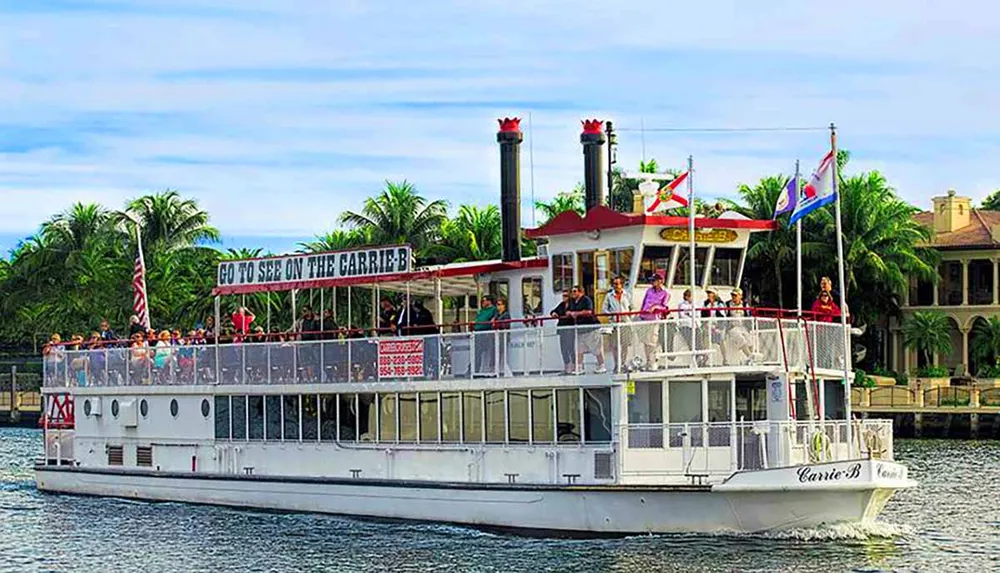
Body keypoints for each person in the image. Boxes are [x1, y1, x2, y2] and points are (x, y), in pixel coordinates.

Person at [567, 285, 606, 373]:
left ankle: (602, 365)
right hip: (580, 329)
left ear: (580, 292)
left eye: (574, 291)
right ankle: (579, 368)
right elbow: (568, 311)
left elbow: (589, 311)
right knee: (579, 349)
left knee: (596, 348)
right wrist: (570, 313)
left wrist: (576, 313)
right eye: (572, 291)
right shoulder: (572, 301)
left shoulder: (586, 300)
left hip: (591, 328)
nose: (572, 293)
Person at [601, 276, 632, 372]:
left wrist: (628, 316)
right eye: (614, 284)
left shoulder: (627, 295)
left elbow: (632, 306)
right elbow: (604, 309)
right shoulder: (609, 296)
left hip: (625, 323)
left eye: (618, 284)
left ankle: (622, 363)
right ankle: (616, 364)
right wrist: (611, 316)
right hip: (614, 324)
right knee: (614, 345)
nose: (616, 286)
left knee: (625, 344)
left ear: (622, 285)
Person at [639, 272, 670, 370]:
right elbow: (644, 302)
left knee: (653, 341)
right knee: (645, 341)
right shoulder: (649, 290)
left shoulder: (665, 293)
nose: (652, 282)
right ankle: (648, 361)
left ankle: (654, 361)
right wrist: (641, 313)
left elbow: (664, 307)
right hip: (644, 317)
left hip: (654, 319)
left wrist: (656, 307)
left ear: (660, 281)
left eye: (654, 280)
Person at [473, 295, 498, 375]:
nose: (482, 303)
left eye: (484, 301)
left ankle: (491, 370)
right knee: (476, 352)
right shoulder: (481, 311)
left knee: (488, 351)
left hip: (486, 332)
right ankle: (474, 370)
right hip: (477, 332)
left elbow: (493, 319)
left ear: (489, 301)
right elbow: (478, 319)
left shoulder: (493, 309)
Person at [550, 290, 574, 374]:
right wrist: (553, 313)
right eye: (563, 296)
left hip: (570, 329)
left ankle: (574, 366)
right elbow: (553, 311)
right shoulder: (561, 305)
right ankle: (567, 366)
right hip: (562, 329)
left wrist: (570, 314)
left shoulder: (573, 304)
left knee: (571, 348)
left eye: (566, 296)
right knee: (563, 348)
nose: (564, 297)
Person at [493, 297, 512, 376]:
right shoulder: (497, 315)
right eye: (497, 305)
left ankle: (503, 370)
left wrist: (498, 324)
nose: (498, 307)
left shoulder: (506, 314)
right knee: (497, 353)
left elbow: (506, 325)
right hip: (497, 336)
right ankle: (496, 370)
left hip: (503, 336)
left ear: (504, 306)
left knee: (502, 353)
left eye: (500, 305)